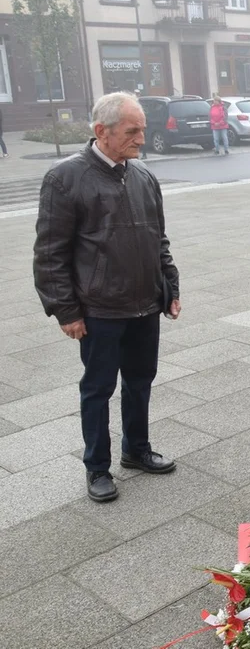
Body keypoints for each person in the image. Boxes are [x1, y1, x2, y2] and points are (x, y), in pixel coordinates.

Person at [33, 92, 181, 503]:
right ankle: (97, 466)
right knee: (98, 389)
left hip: (144, 304)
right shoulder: (65, 178)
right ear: (102, 131)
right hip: (99, 309)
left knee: (140, 381)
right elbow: (50, 253)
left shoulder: (143, 176)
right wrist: (65, 310)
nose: (141, 138)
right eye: (132, 131)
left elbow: (158, 239)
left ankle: (137, 449)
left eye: (142, 130)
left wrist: (170, 286)